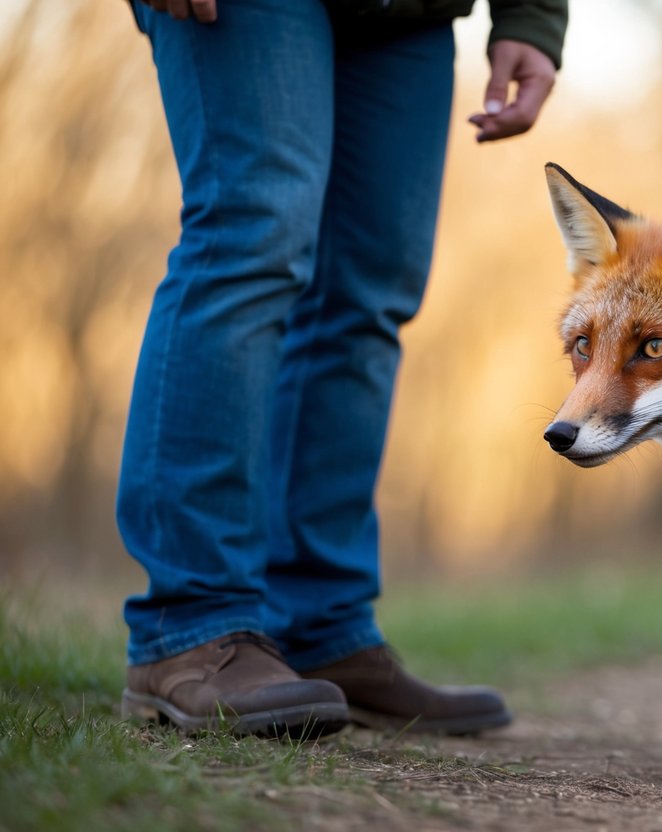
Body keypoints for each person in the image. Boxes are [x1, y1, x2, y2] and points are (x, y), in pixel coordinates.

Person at [117, 0, 566, 737]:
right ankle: (189, 624)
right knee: (249, 239)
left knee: (367, 293)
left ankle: (318, 625)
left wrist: (532, 14)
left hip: (408, 12)